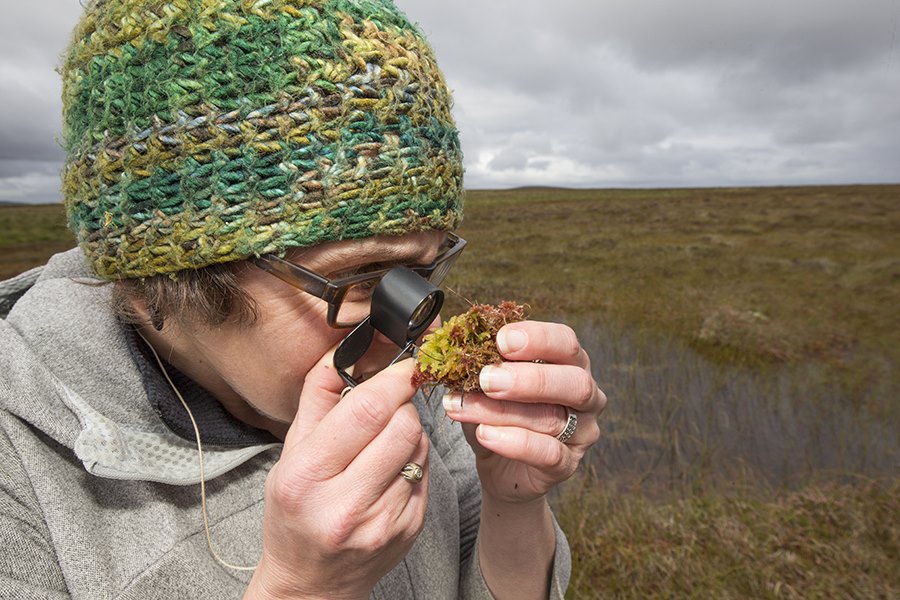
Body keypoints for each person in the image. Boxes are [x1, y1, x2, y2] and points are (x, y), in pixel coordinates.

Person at [0, 0, 606, 598]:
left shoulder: (392, 388)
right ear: (171, 281)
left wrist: (514, 505)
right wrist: (305, 588)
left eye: (427, 268)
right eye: (365, 281)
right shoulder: (19, 475)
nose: (419, 328)